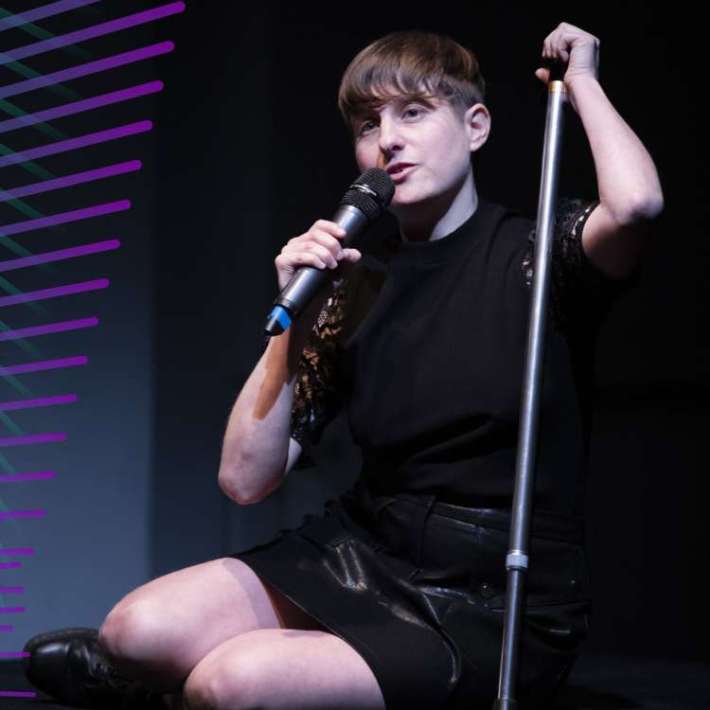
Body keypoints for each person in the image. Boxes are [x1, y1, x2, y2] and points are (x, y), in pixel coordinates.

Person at [23, 23, 662, 710]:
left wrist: (585, 82)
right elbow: (244, 478)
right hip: (364, 551)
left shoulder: (534, 256)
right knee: (134, 630)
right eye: (367, 124)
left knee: (230, 681)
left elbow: (635, 206)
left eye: (412, 113)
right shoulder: (360, 287)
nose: (386, 140)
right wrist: (291, 323)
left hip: (486, 595)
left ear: (475, 127)